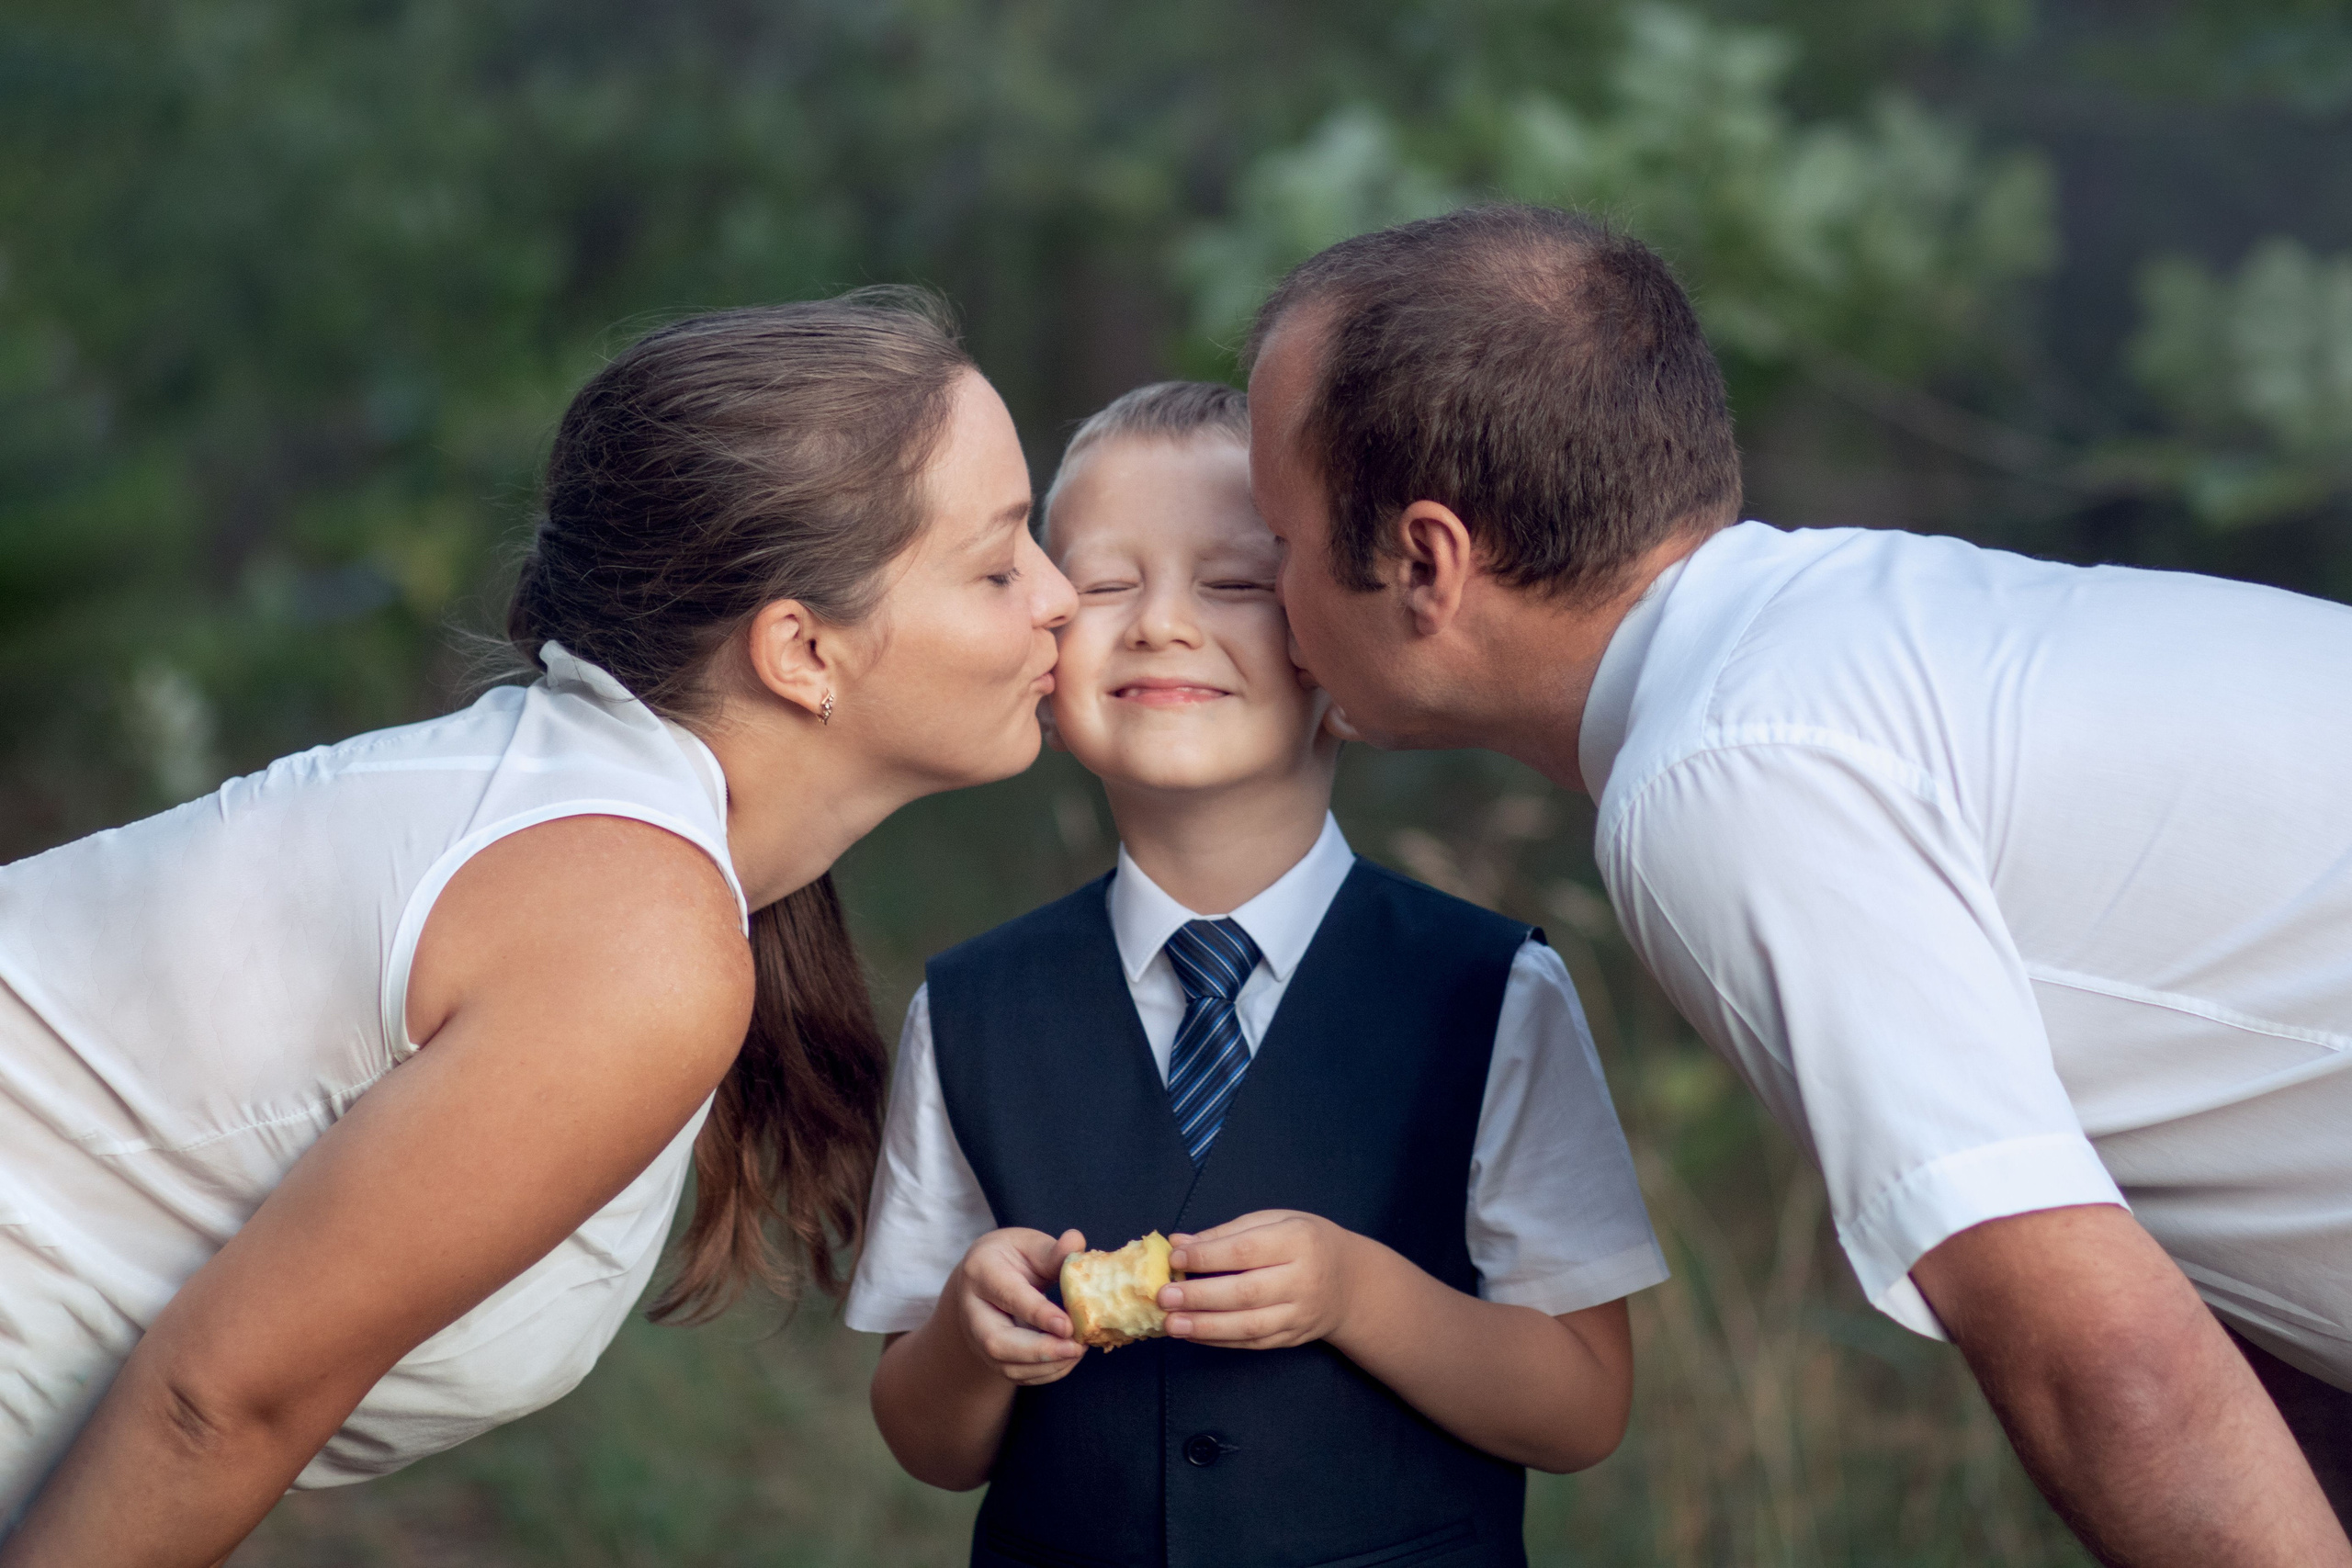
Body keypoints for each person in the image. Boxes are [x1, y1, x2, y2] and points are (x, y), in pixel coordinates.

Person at [1239, 201, 2352, 1567]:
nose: (1266, 595)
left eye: (1277, 540)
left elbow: (2111, 1372)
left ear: (1427, 562)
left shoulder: (1722, 774)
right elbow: (2241, 1292)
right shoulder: (1858, 642)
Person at [0, 289, 1079, 1565]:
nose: (1061, 597)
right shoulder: (636, 936)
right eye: (1000, 566)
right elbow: (217, 1406)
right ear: (800, 651)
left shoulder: (605, 837)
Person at [850, 380, 1666, 1568]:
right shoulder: (971, 1010)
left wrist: (1358, 1294)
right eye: (1106, 585)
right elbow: (929, 1444)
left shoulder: (1495, 994)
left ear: (1345, 660)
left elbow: (1583, 1407)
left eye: (1234, 582)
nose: (1160, 624)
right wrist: (972, 1340)